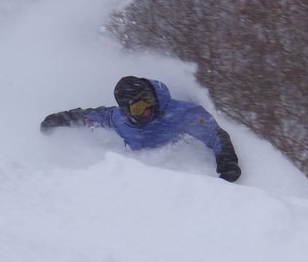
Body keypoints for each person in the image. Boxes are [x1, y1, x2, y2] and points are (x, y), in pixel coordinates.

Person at [40, 76, 241, 182]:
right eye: (138, 108)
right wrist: (60, 119)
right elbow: (89, 116)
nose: (147, 110)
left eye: (149, 101)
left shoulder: (180, 113)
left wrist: (227, 162)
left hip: (175, 171)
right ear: (126, 110)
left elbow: (216, 135)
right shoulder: (118, 119)